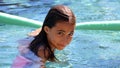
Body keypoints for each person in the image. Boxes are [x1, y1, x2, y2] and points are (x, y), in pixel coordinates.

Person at [11, 5, 76, 68]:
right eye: (60, 33)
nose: (65, 40)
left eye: (70, 33)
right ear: (47, 29)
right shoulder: (43, 51)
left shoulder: (39, 34)